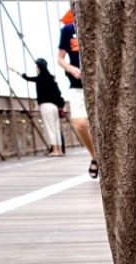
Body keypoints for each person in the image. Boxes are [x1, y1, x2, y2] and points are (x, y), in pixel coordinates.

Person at [56, 8, 96, 178]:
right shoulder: (68, 30)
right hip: (77, 84)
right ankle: (96, 156)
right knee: (79, 123)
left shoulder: (102, 25)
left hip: (102, 85)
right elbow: (59, 58)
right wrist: (71, 68)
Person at [13, 58, 64, 155]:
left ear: (39, 67)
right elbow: (58, 93)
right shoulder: (51, 78)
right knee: (56, 128)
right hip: (55, 107)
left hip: (46, 106)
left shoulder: (40, 78)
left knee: (50, 128)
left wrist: (17, 72)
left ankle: (55, 150)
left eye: (36, 67)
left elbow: (27, 78)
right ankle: (60, 150)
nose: (36, 69)